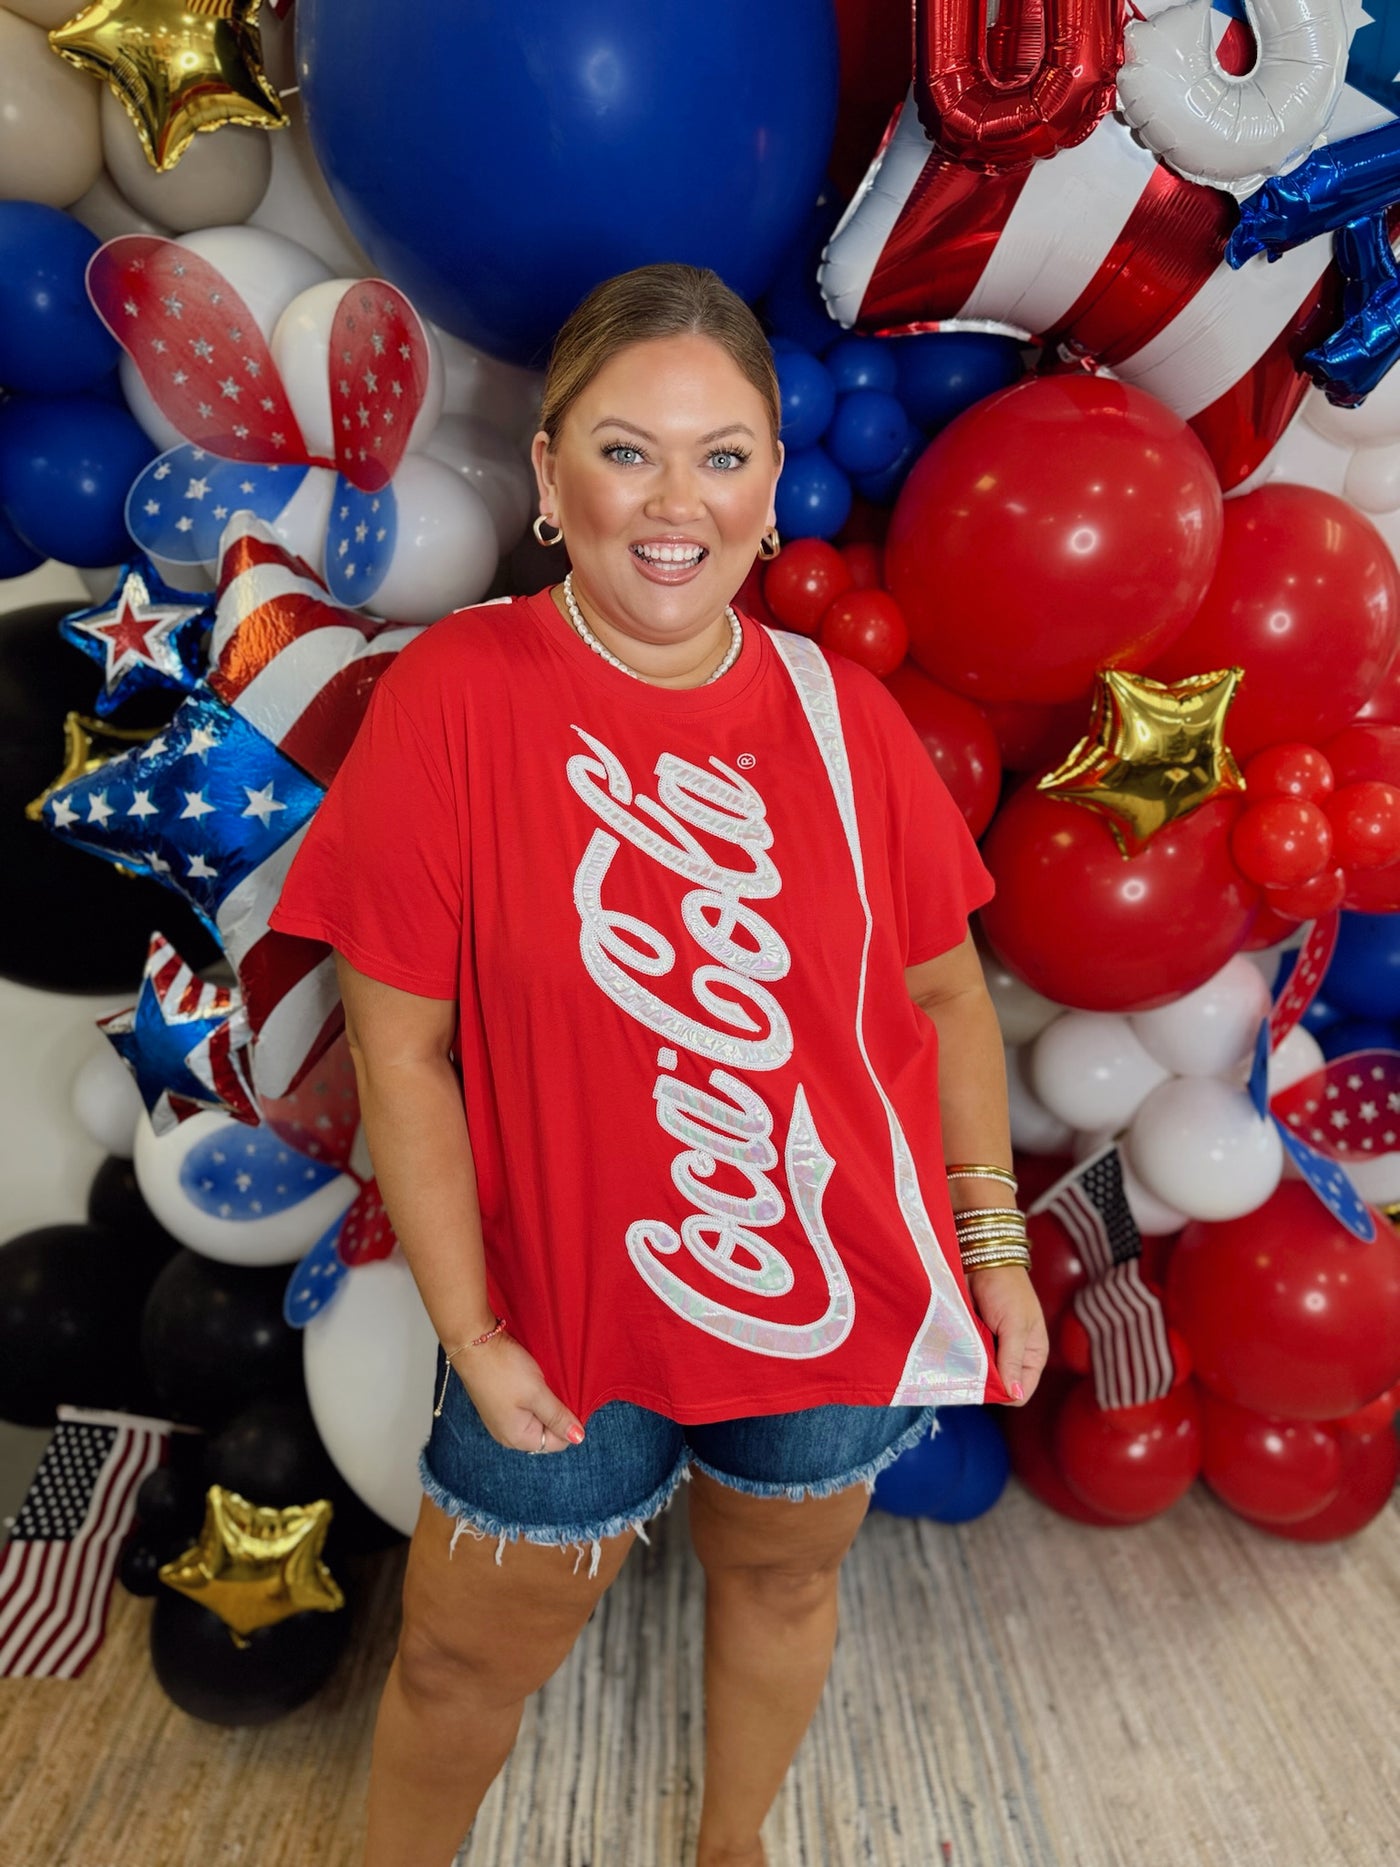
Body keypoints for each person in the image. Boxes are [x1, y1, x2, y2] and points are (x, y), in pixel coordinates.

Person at [267, 261, 1048, 1867]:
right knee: (457, 1657)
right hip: (554, 1318)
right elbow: (398, 1050)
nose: (672, 503)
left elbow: (949, 1000)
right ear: (549, 476)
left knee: (781, 1579)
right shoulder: (454, 700)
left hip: (822, 1285)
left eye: (723, 453)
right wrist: (474, 1333)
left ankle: (732, 1844)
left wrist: (995, 1248)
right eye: (625, 451)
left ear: (773, 482)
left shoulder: (845, 719)